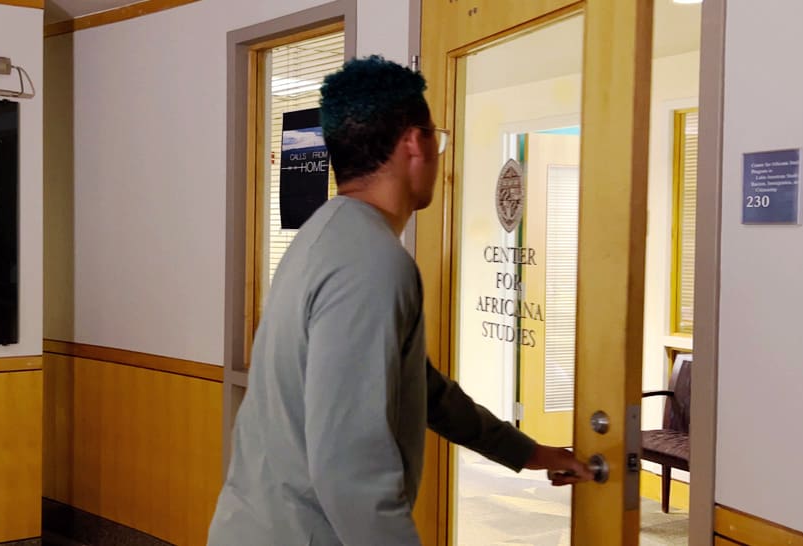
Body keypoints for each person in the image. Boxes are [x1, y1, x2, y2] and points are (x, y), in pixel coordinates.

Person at [208, 56, 591, 546]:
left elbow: (418, 387)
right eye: (438, 139)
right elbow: (350, 468)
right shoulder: (372, 264)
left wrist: (528, 452)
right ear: (415, 142)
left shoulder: (324, 235)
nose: (439, 154)